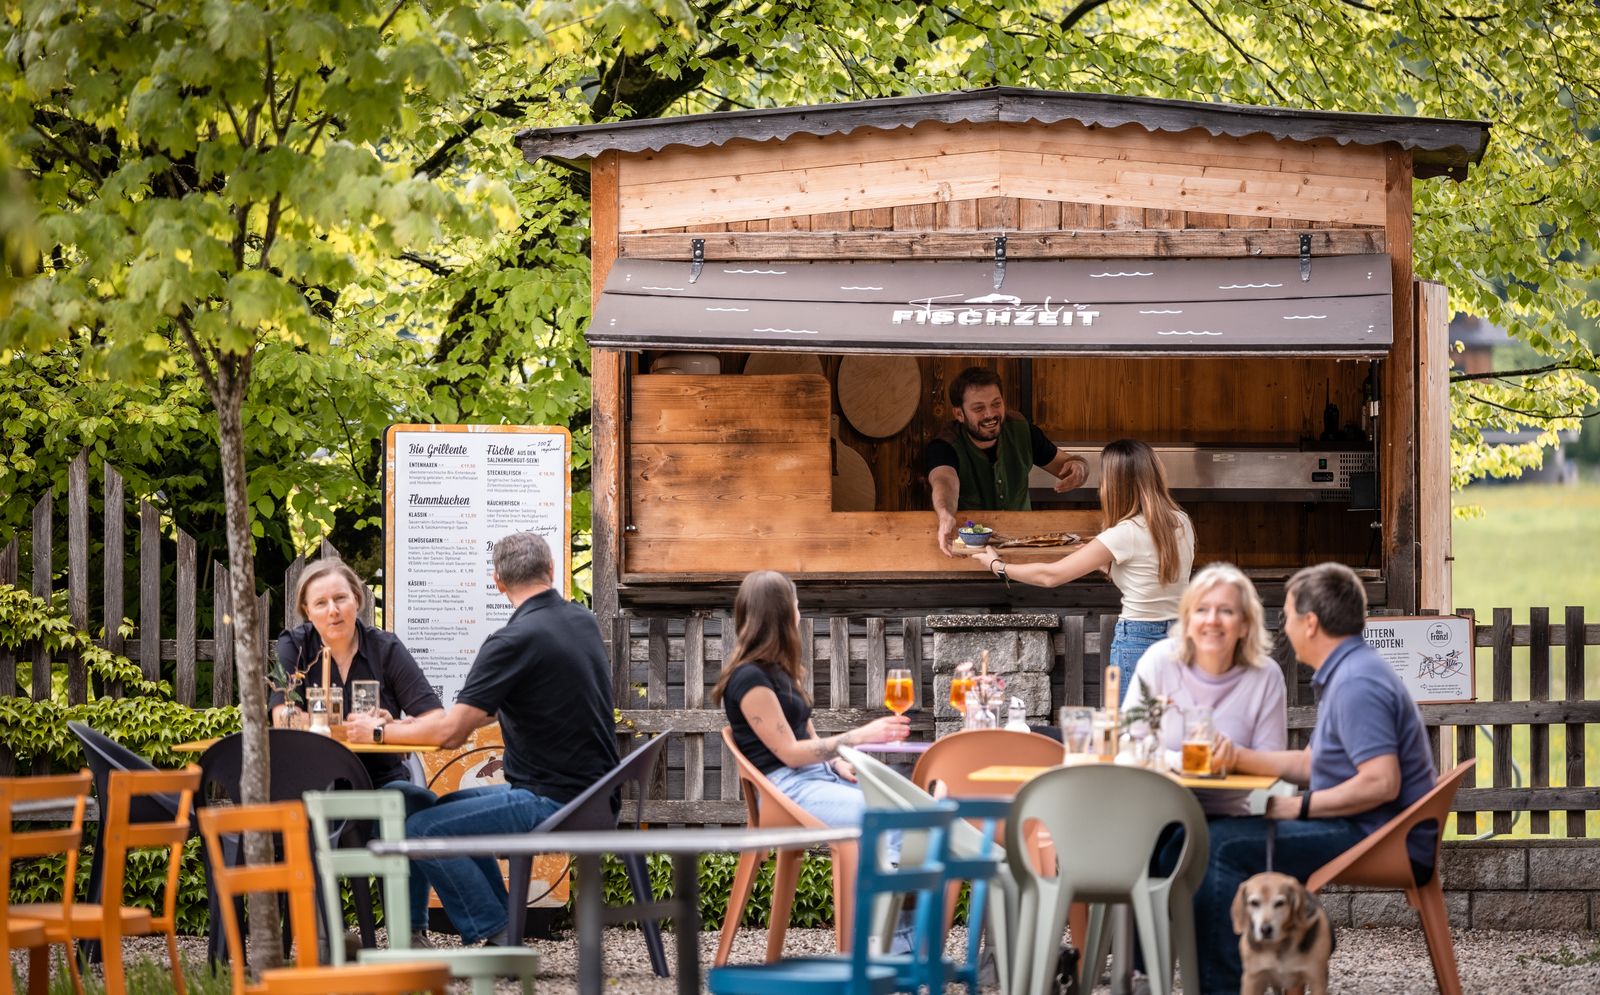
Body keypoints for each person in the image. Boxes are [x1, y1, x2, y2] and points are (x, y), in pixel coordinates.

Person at [344, 532, 619, 946]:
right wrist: (406, 725)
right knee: (444, 809)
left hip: (554, 802)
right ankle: (504, 928)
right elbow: (485, 712)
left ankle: (498, 935)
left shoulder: (513, 640)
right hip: (597, 796)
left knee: (423, 828)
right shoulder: (581, 621)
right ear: (550, 570)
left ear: (498, 582)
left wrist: (380, 731)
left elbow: (451, 733)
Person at [1193, 562, 1438, 995]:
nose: (1284, 627)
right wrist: (1237, 757)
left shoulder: (1356, 683)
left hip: (1381, 835)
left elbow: (1381, 783)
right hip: (1370, 826)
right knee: (1218, 834)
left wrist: (1298, 806)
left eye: (1287, 616)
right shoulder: (1350, 670)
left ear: (1310, 623)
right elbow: (1311, 765)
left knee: (1220, 845)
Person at [270, 559, 443, 943]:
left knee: (415, 801)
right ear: (307, 611)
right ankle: (328, 934)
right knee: (300, 820)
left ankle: (411, 932)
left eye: (341, 598)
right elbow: (282, 715)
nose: (332, 610)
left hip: (380, 781)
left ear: (358, 601)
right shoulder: (294, 647)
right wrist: (325, 724)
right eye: (321, 603)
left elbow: (435, 719)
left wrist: (387, 728)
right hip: (313, 785)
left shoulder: (386, 649)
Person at [970, 438, 1194, 696]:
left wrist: (998, 566)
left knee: (1131, 721)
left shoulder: (1124, 533)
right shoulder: (1180, 521)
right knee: (1170, 717)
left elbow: (1050, 576)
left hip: (1138, 639)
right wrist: (1098, 560)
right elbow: (1148, 579)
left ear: (1116, 484)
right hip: (1178, 638)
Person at [711, 570, 910, 855]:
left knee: (909, 802)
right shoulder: (749, 679)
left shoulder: (779, 671)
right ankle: (894, 882)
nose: (799, 612)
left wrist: (835, 763)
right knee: (892, 818)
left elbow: (806, 733)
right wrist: (860, 736)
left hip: (816, 776)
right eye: (795, 604)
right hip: (786, 790)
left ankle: (900, 878)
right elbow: (790, 753)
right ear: (783, 614)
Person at [1123, 563, 1287, 817]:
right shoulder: (1159, 661)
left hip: (1227, 817)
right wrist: (1183, 761)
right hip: (1155, 813)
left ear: (1245, 624)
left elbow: (1273, 762)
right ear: (1187, 621)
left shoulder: (1266, 676)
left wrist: (1232, 757)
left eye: (1226, 611)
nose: (1212, 620)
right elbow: (1126, 746)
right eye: (1201, 609)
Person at [925, 366, 1089, 555]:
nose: (990, 414)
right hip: (970, 549)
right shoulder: (945, 445)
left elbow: (1068, 466)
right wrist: (945, 515)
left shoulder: (1022, 430)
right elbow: (945, 481)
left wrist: (1080, 468)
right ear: (959, 414)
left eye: (996, 404)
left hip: (1024, 544)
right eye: (979, 408)